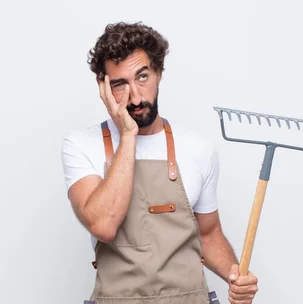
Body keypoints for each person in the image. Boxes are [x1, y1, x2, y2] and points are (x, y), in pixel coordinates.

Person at [61, 21, 259, 304]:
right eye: (120, 84)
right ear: (103, 87)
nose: (136, 97)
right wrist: (128, 134)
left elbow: (208, 234)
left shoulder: (197, 148)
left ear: (158, 73)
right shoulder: (81, 145)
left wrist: (235, 275)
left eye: (142, 77)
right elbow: (103, 225)